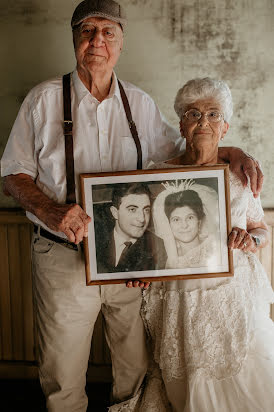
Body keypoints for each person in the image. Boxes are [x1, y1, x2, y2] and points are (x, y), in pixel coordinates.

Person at [0, 0, 264, 408]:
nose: (97, 41)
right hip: (61, 256)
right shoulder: (42, 100)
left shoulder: (138, 103)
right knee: (62, 373)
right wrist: (51, 209)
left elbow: (187, 149)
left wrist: (234, 150)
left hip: (129, 264)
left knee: (134, 369)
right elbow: (11, 174)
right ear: (75, 39)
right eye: (87, 31)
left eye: (108, 33)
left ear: (121, 42)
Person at [112, 78, 274, 412]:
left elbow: (261, 229)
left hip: (233, 295)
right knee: (185, 379)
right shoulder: (155, 176)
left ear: (225, 127)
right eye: (193, 113)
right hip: (179, 296)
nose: (203, 121)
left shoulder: (242, 176)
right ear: (182, 126)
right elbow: (144, 236)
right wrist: (140, 266)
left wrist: (250, 239)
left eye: (214, 114)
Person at [95, 182, 167, 273]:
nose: (142, 219)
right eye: (132, 209)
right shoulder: (96, 242)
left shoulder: (158, 246)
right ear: (115, 213)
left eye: (146, 210)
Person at [152, 182, 221, 269]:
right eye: (176, 219)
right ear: (169, 225)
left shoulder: (216, 250)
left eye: (190, 217)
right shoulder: (171, 264)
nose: (184, 225)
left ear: (199, 222)